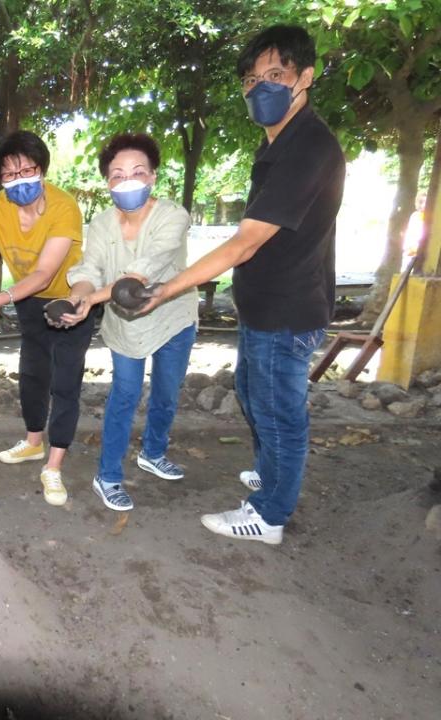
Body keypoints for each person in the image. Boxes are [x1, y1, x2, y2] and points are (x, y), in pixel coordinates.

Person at [139, 25, 345, 544]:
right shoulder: (279, 144)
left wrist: (166, 289)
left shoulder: (307, 148)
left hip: (286, 310)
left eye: (276, 75)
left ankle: (269, 514)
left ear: (305, 78)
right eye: (252, 79)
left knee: (279, 415)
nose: (261, 88)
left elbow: (244, 244)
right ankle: (272, 472)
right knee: (254, 397)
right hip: (265, 307)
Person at [56, 133, 196, 512]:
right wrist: (77, 295)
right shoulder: (102, 223)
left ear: (153, 177)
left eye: (137, 172)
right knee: (125, 397)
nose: (127, 181)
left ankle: (153, 452)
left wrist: (89, 299)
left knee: (166, 394)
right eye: (117, 175)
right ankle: (109, 476)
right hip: (125, 324)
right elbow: (90, 269)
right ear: (107, 183)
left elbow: (141, 273)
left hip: (174, 319)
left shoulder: (173, 216)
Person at [0, 130, 97, 506]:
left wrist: (1, 298)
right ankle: (34, 443)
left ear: (42, 169)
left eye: (27, 170)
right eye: (9, 174)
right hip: (28, 299)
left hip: (71, 300)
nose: (19, 180)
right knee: (34, 373)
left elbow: (44, 272)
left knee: (66, 380)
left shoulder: (63, 206)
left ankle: (54, 465)